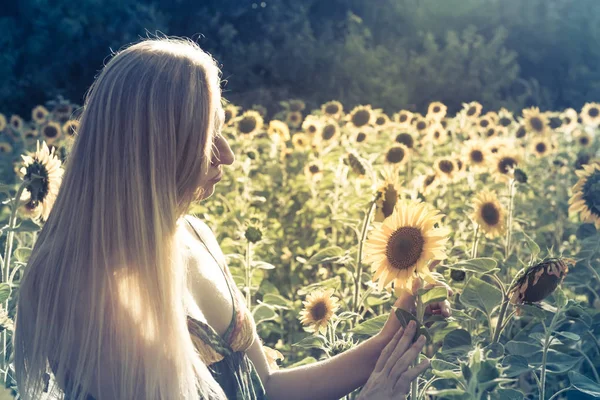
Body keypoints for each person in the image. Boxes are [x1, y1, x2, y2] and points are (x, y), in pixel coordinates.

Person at [13, 36, 451, 400]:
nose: (228, 155)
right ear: (157, 146)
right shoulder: (87, 287)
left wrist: (392, 335)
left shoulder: (194, 235)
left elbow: (268, 388)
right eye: (208, 135)